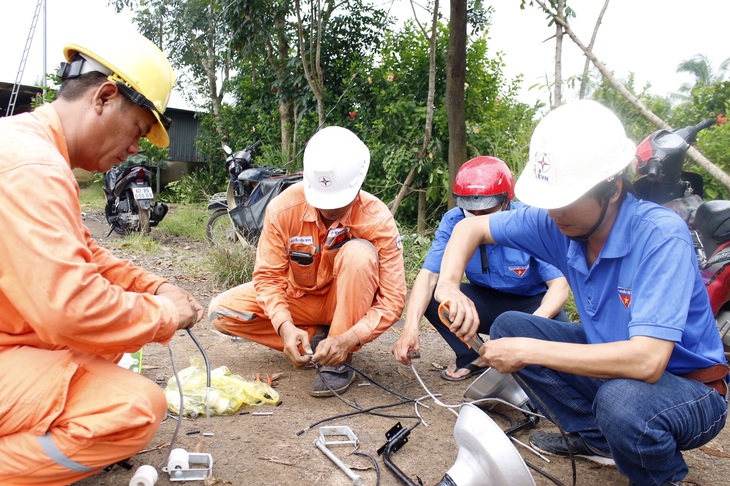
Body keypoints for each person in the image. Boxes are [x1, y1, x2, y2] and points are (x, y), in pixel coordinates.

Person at [435, 100, 728, 485]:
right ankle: (598, 441)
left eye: (565, 201)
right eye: (548, 201)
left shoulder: (658, 236)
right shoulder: (558, 223)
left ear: (612, 189)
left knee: (620, 402)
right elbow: (469, 230)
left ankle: (661, 478)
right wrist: (450, 288)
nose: (553, 213)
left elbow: (647, 361)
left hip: (690, 389)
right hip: (615, 364)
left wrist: (527, 352)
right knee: (510, 326)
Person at [0, 24, 204, 485]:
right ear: (104, 96)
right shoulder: (33, 167)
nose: (135, 148)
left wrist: (157, 287)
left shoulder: (30, 146)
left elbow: (86, 254)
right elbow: (72, 309)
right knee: (133, 408)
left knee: (109, 346)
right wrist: (163, 314)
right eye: (136, 129)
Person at [209, 126, 407, 397]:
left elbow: (392, 300)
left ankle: (339, 356)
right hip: (300, 301)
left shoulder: (377, 219)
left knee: (358, 254)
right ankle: (313, 337)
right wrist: (285, 327)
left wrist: (349, 338)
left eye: (338, 203)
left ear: (358, 184)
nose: (328, 209)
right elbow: (267, 277)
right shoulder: (283, 209)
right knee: (222, 312)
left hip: (346, 304)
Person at [392, 156, 570, 380]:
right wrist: (410, 328)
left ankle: (525, 360)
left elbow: (559, 287)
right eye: (470, 210)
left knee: (564, 347)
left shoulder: (529, 220)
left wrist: (527, 328)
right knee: (433, 297)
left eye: (486, 211)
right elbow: (428, 277)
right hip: (483, 301)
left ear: (506, 201)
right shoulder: (453, 221)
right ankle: (473, 356)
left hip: (531, 303)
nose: (477, 217)